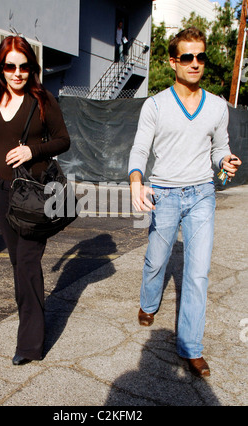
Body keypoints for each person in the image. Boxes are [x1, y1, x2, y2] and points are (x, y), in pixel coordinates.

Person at [128, 27, 241, 377]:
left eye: (201, 57)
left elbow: (219, 146)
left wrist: (224, 160)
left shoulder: (217, 106)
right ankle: (148, 303)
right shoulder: (155, 105)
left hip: (202, 195)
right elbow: (140, 150)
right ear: (173, 61)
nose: (195, 63)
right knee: (156, 260)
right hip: (163, 194)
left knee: (197, 274)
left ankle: (191, 347)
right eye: (187, 57)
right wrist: (136, 182)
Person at [0, 36, 70, 366]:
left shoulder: (42, 100)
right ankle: (30, 324)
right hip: (4, 194)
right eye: (10, 66)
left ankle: (30, 345)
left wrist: (32, 150)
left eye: (24, 66)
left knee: (27, 264)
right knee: (17, 265)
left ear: (31, 69)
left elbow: (64, 140)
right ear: (1, 68)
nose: (17, 72)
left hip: (36, 194)